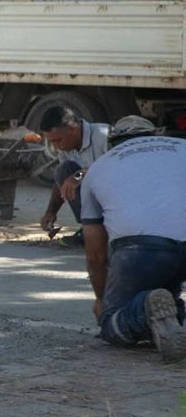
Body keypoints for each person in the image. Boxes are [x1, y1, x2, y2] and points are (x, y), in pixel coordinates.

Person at [79, 115, 186, 363]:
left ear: (113, 142)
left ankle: (144, 309)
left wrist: (101, 299)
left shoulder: (98, 168)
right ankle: (174, 318)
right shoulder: (182, 146)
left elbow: (96, 255)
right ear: (157, 134)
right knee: (168, 295)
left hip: (142, 250)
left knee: (112, 321)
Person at [36, 106, 109, 247]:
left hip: (119, 197)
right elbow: (62, 182)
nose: (56, 147)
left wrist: (79, 175)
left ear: (72, 130)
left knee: (73, 175)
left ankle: (107, 229)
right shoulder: (65, 146)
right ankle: (89, 228)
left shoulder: (103, 136)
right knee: (63, 170)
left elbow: (118, 169)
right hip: (98, 199)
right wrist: (51, 212)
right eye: (52, 142)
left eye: (58, 140)